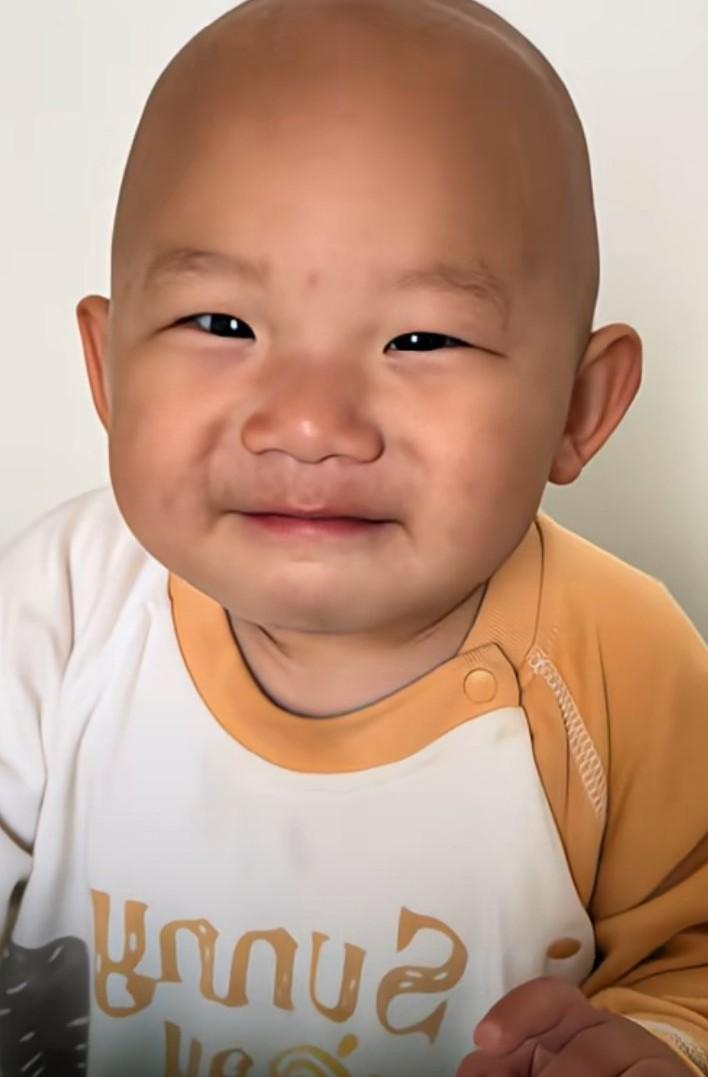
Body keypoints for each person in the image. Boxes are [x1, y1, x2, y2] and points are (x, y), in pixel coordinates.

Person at [0, 0, 706, 1073]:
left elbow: (692, 959)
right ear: (108, 371)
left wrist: (658, 1044)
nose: (309, 422)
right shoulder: (57, 608)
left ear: (580, 406)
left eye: (421, 338)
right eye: (222, 324)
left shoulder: (625, 666)